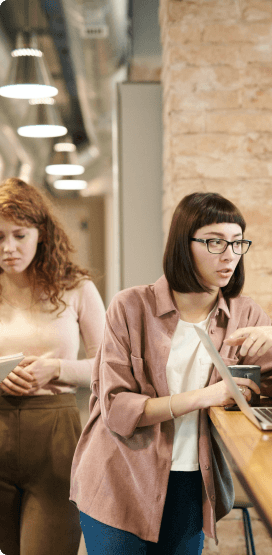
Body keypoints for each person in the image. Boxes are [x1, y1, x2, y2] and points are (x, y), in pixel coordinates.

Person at [70, 192, 272, 554]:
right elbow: (117, 407)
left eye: (237, 243)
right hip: (119, 478)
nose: (229, 254)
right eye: (215, 242)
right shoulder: (130, 306)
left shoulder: (244, 313)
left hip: (191, 484)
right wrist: (207, 397)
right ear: (184, 245)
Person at [0, 177, 106, 555]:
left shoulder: (75, 288)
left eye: (19, 235)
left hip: (56, 437)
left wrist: (58, 369)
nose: (8, 248)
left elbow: (112, 366)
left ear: (41, 233)